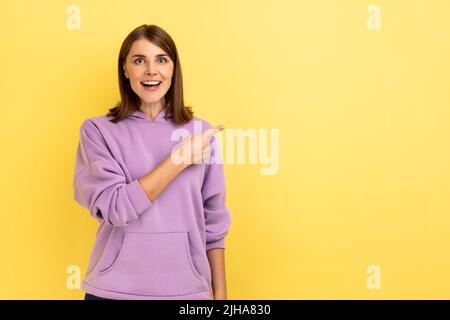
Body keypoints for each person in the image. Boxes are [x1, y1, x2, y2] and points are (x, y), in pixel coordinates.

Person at [73, 24, 231, 300]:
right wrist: (179, 160)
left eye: (161, 59)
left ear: (173, 68)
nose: (151, 70)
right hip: (113, 292)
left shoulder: (201, 134)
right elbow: (116, 208)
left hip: (187, 293)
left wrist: (221, 297)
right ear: (125, 70)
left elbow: (214, 223)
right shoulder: (97, 132)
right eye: (139, 60)